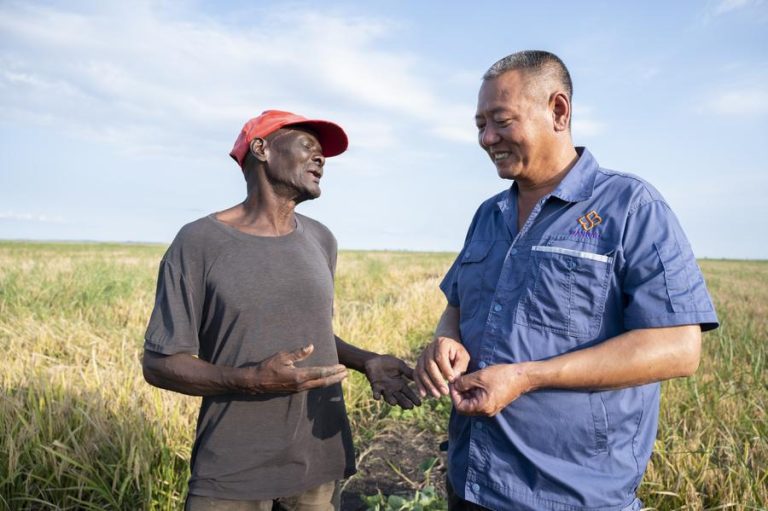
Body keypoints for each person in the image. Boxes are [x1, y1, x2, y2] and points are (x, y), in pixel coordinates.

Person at [414, 51, 719, 511]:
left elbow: (678, 347)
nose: (487, 138)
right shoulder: (488, 214)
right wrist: (446, 339)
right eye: (480, 124)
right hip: (472, 482)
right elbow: (456, 305)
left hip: (571, 494)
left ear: (559, 110)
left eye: (501, 121)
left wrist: (526, 378)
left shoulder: (631, 207)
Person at [142, 110, 421, 511]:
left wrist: (368, 361)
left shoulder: (321, 239)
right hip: (233, 471)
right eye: (308, 146)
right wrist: (250, 380)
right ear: (262, 149)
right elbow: (159, 364)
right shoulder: (199, 242)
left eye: (323, 153)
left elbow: (311, 336)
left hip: (318, 461)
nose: (321, 158)